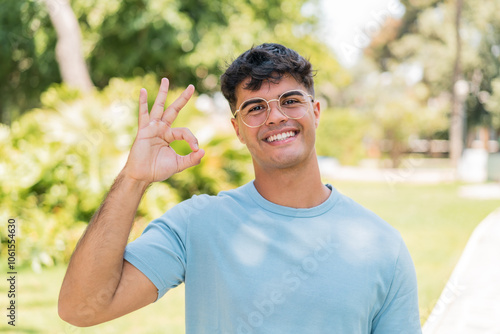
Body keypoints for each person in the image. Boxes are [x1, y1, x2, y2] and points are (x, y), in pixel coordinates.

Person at [58, 43, 422, 333]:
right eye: (255, 107)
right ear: (237, 129)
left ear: (316, 111)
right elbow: (81, 307)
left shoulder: (382, 246)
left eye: (291, 101)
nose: (276, 116)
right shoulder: (197, 224)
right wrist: (133, 178)